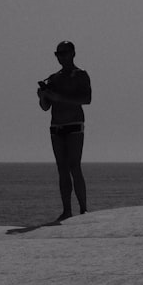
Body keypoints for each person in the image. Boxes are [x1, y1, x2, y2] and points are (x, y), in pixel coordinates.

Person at [37, 41, 92, 221]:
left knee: (74, 165)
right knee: (62, 168)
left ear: (73, 53)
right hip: (56, 125)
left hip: (74, 124)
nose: (61, 57)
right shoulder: (53, 78)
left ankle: (83, 209)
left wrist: (59, 97)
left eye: (64, 53)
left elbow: (86, 99)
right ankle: (67, 210)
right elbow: (45, 107)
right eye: (58, 54)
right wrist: (43, 96)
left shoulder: (81, 75)